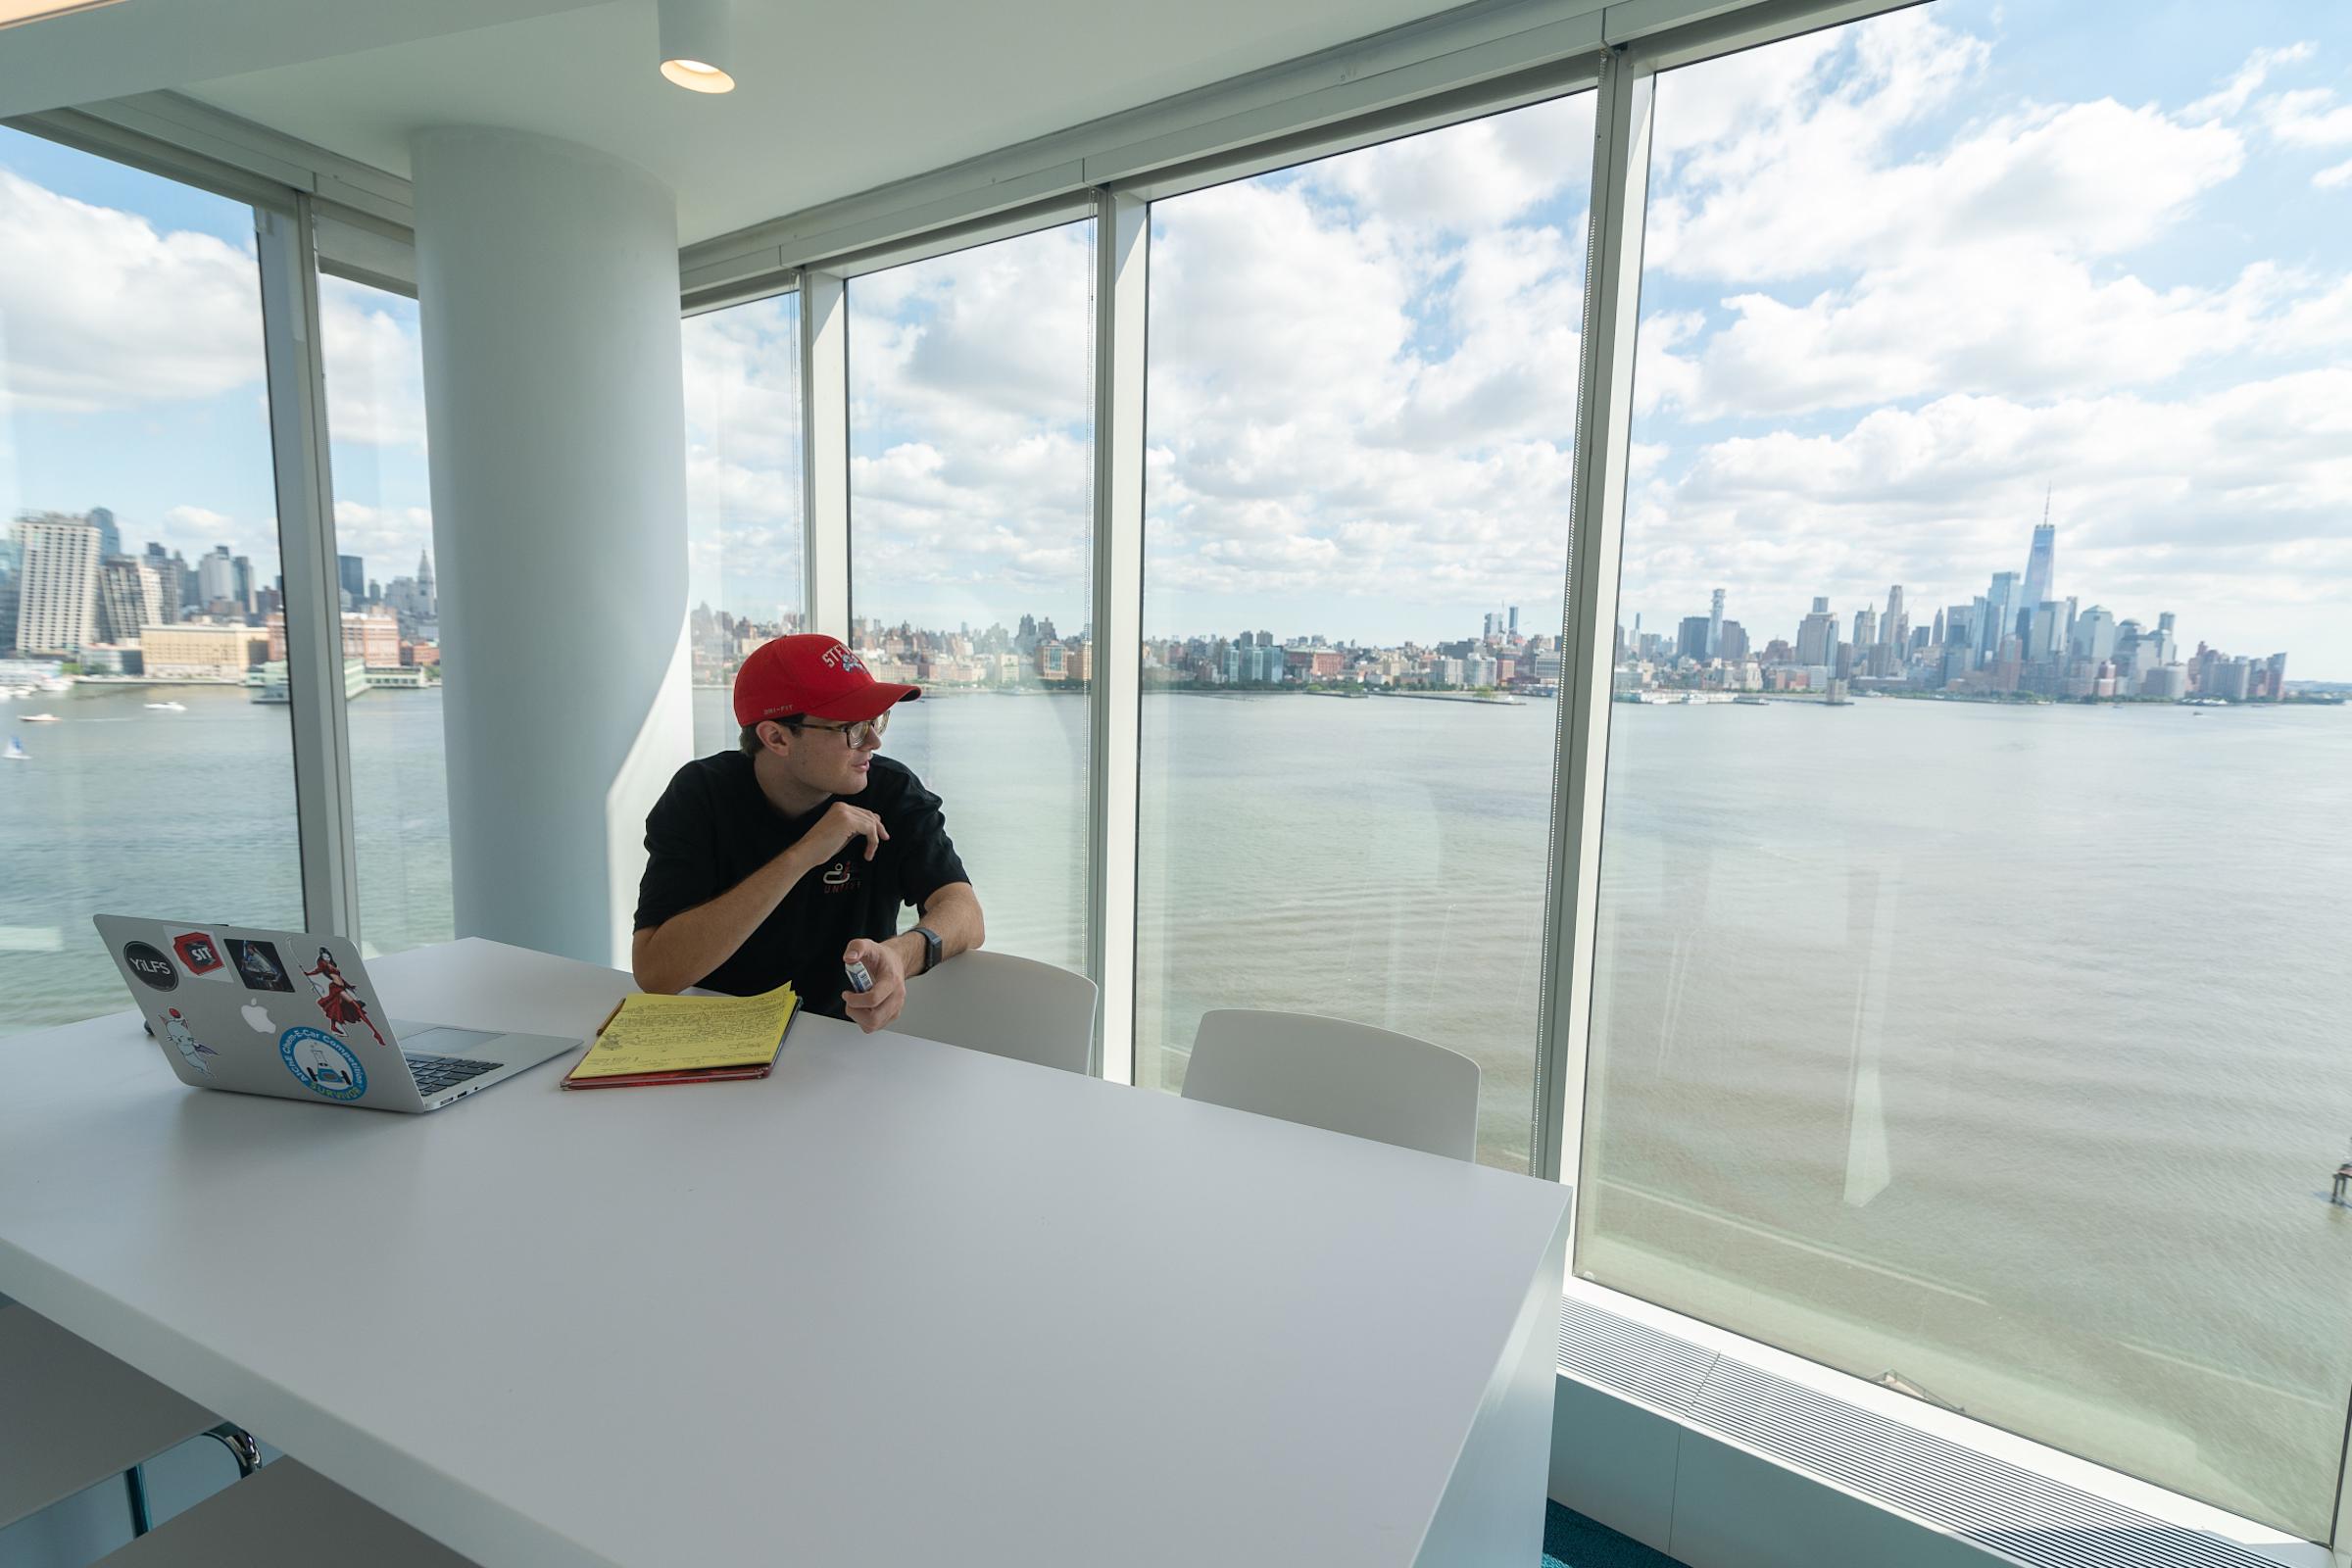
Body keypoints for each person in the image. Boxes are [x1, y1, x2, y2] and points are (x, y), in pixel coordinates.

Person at [631, 634, 984, 1032]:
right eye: (852, 728)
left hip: (843, 1039)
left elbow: (966, 914)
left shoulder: (892, 791)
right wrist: (803, 855)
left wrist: (901, 954)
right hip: (718, 1034)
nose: (874, 741)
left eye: (875, 721)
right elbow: (655, 973)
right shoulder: (702, 795)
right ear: (777, 738)